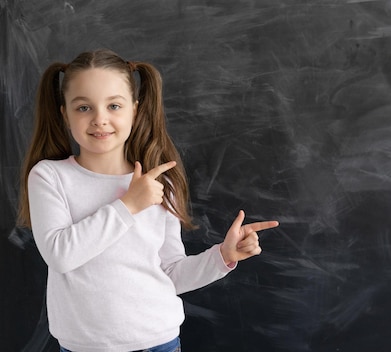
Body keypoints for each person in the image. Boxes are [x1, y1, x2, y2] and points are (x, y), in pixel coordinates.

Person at [16, 49, 279, 352]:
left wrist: (222, 256)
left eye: (114, 105)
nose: (100, 119)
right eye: (84, 107)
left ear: (135, 110)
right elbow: (60, 255)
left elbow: (170, 273)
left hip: (159, 343)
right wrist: (129, 205)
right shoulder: (50, 176)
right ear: (64, 112)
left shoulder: (158, 183)